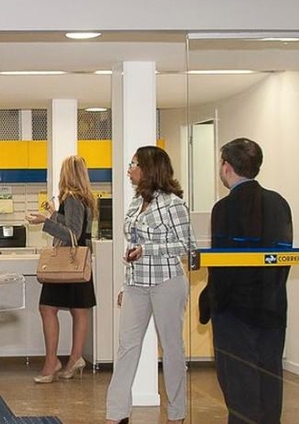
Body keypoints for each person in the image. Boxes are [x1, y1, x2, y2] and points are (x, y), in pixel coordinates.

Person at [200, 138, 293, 424]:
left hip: (235, 314)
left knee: (240, 390)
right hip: (272, 308)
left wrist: (211, 301)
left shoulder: (224, 208)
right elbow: (283, 258)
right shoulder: (279, 203)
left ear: (227, 167)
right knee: (269, 387)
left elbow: (223, 267)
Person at [106, 146, 197, 424]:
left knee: (171, 348)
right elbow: (134, 242)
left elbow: (188, 247)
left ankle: (176, 413)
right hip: (136, 283)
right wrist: (127, 279)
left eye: (134, 164)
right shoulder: (136, 201)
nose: (129, 169)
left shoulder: (173, 204)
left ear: (148, 169)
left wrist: (148, 250)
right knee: (126, 346)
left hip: (166, 282)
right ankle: (116, 413)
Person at [25, 155, 96, 384]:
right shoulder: (85, 198)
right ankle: (74, 359)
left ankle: (51, 363)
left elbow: (71, 233)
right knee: (79, 310)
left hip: (66, 260)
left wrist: (45, 221)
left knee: (47, 308)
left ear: (67, 174)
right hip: (80, 260)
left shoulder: (72, 197)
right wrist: (54, 214)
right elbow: (76, 228)